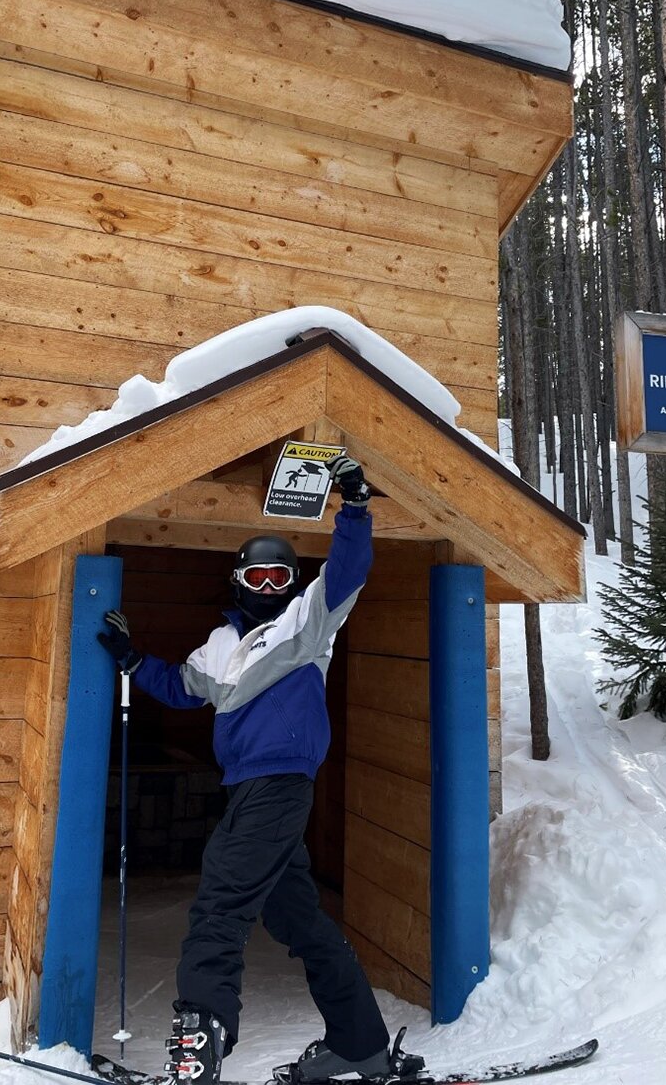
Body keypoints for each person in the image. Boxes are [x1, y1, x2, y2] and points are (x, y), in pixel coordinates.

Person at [97, 454, 391, 1085]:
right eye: (255, 577)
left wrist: (355, 508)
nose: (267, 588)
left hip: (281, 783)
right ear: (237, 582)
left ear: (292, 582)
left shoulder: (307, 624)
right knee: (297, 918)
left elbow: (349, 569)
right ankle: (362, 1045)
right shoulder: (219, 645)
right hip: (246, 791)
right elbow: (181, 687)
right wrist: (131, 660)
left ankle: (197, 1052)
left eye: (278, 576)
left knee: (220, 904)